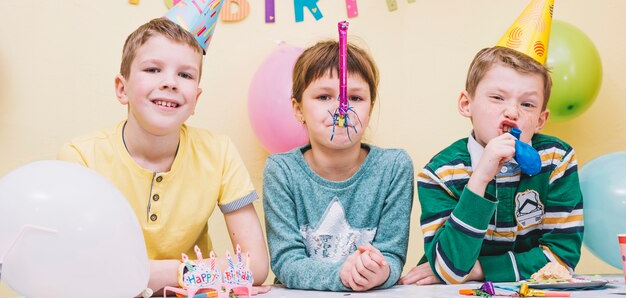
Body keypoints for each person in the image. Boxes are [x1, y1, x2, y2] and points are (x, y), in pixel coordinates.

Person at [58, 17, 269, 294]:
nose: (170, 82)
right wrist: (199, 271)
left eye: (185, 75)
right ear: (122, 89)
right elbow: (79, 267)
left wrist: (162, 273)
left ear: (196, 99)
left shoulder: (219, 152)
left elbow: (255, 267)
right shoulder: (81, 157)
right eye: (153, 69)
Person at [399, 0, 583, 285]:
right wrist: (481, 176)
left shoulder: (557, 160)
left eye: (527, 105)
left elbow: (561, 258)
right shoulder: (440, 173)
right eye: (497, 97)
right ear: (465, 104)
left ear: (541, 119)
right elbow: (449, 269)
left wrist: (482, 269)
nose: (512, 111)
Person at [263, 39, 414, 291]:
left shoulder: (394, 168)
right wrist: (342, 275)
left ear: (370, 108)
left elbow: (392, 255)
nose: (342, 109)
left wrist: (380, 271)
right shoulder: (281, 171)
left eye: (355, 97)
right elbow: (286, 261)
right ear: (298, 109)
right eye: (324, 96)